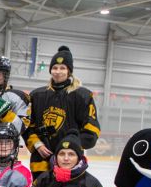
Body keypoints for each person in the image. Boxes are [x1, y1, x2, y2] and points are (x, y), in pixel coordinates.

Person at [25, 46, 100, 175]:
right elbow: (27, 126)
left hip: (69, 161)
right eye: (55, 68)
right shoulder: (37, 96)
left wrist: (70, 146)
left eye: (62, 68)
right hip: (41, 161)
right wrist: (37, 144)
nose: (58, 71)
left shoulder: (82, 96)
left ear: (69, 71)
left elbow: (91, 131)